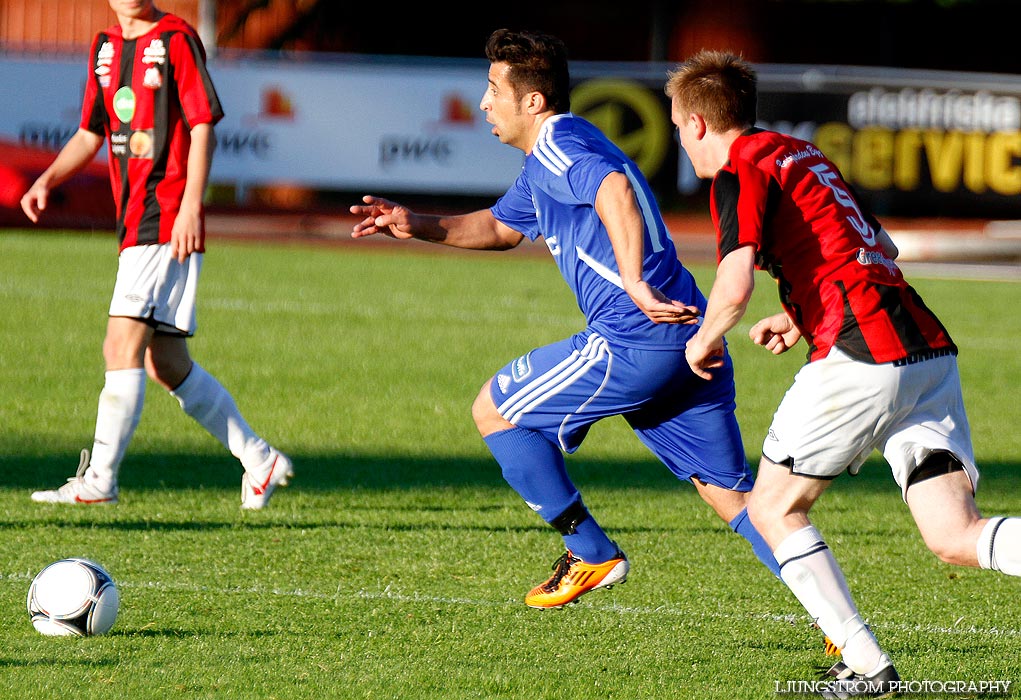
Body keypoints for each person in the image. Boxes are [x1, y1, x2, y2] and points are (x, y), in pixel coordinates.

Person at [350, 28, 782, 610]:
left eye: (493, 90)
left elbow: (613, 192)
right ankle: (840, 625)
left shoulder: (560, 147)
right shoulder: (552, 156)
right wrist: (416, 222)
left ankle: (592, 551)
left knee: (494, 410)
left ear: (533, 101)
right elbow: (502, 228)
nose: (484, 104)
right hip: (689, 338)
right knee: (736, 499)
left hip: (636, 337)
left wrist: (631, 280)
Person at [668, 49, 1021, 695]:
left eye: (675, 126)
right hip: (924, 351)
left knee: (773, 508)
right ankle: (865, 665)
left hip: (862, 353)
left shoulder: (738, 169)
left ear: (694, 123)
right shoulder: (801, 155)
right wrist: (800, 318)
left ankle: (866, 666)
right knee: (954, 535)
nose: (680, 142)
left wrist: (699, 343)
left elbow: (734, 281)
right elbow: (876, 247)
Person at [20, 0, 293, 510]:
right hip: (137, 222)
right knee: (166, 362)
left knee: (118, 344)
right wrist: (47, 179)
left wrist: (192, 205)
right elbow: (89, 133)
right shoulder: (104, 48)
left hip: (164, 216)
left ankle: (99, 481)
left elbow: (202, 125)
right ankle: (260, 459)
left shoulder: (175, 39)